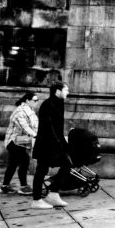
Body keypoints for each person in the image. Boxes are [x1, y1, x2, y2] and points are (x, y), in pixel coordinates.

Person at [31, 80, 70, 210]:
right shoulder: (48, 104)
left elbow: (58, 127)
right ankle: (36, 199)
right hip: (46, 144)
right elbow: (48, 126)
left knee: (67, 164)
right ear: (58, 91)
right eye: (66, 90)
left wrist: (63, 142)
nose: (67, 92)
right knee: (41, 170)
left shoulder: (59, 103)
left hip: (55, 143)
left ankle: (53, 193)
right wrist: (58, 142)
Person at [0, 91, 38, 194]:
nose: (36, 102)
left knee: (13, 164)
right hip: (13, 142)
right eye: (35, 100)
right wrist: (36, 135)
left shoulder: (31, 111)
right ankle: (23, 187)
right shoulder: (20, 111)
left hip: (21, 142)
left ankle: (5, 186)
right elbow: (25, 127)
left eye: (37, 100)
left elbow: (36, 126)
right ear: (27, 100)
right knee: (24, 161)